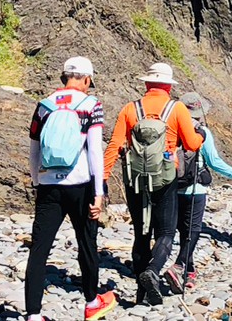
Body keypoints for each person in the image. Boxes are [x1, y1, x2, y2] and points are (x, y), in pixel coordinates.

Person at [102, 62, 203, 306]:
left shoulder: (130, 109)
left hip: (135, 179)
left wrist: (102, 178)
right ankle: (153, 271)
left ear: (146, 83)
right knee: (166, 232)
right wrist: (200, 136)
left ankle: (142, 294)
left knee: (141, 233)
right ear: (168, 86)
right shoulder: (177, 108)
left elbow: (114, 145)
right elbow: (191, 144)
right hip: (165, 178)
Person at [24, 57, 117, 321]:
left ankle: (33, 315)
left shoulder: (44, 105)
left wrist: (36, 181)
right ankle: (91, 302)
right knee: (86, 243)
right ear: (86, 79)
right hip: (80, 185)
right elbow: (95, 151)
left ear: (64, 77)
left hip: (48, 186)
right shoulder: (90, 105)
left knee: (39, 250)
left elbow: (34, 149)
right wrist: (98, 193)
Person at [164, 94, 232, 294]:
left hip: (173, 186)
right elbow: (214, 161)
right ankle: (179, 265)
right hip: (195, 188)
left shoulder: (171, 128)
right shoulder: (201, 131)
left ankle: (189, 271)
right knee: (193, 230)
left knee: (181, 229)